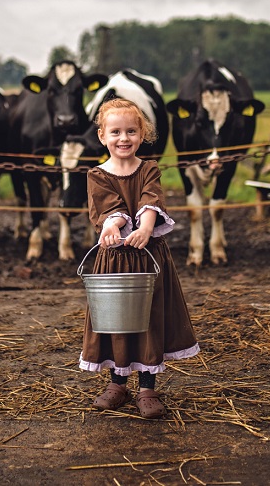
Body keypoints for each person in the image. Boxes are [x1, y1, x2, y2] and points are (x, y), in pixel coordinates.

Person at [79, 98, 200, 419]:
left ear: (143, 133)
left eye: (131, 131)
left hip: (148, 258)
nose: (124, 138)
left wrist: (146, 227)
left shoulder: (149, 169)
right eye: (116, 131)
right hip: (115, 258)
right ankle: (118, 383)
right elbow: (107, 206)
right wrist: (114, 225)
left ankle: (147, 389)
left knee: (148, 321)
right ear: (102, 136)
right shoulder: (97, 174)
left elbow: (151, 199)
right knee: (116, 320)